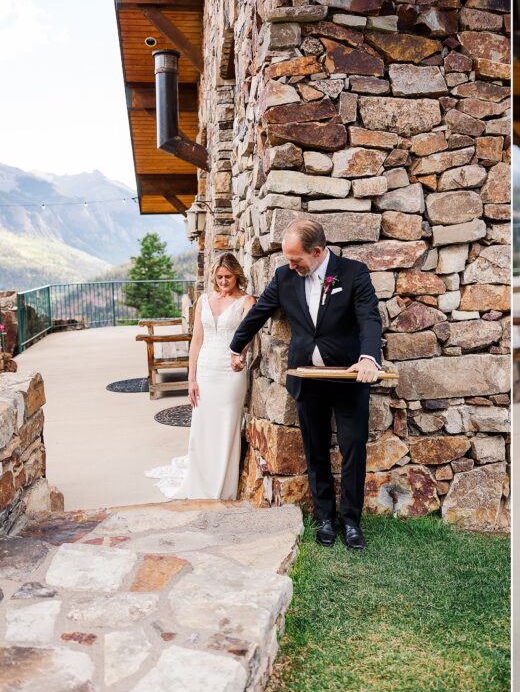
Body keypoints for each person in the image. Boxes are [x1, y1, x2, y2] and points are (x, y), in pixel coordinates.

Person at [229, 219, 382, 550]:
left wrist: (369, 358)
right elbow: (259, 313)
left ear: (317, 251)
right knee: (315, 452)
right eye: (287, 258)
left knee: (354, 449)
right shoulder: (285, 277)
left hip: (349, 378)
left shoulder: (354, 273)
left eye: (295, 258)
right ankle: (325, 518)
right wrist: (235, 345)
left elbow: (369, 317)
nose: (290, 264)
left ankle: (352, 522)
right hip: (307, 380)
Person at [147, 253, 255, 500]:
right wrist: (191, 380)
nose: (223, 281)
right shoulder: (204, 300)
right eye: (219, 277)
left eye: (228, 276)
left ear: (237, 275)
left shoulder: (247, 301)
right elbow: (196, 341)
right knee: (203, 427)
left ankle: (221, 486)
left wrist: (241, 356)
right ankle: (200, 480)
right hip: (205, 369)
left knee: (226, 426)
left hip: (230, 372)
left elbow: (249, 334)